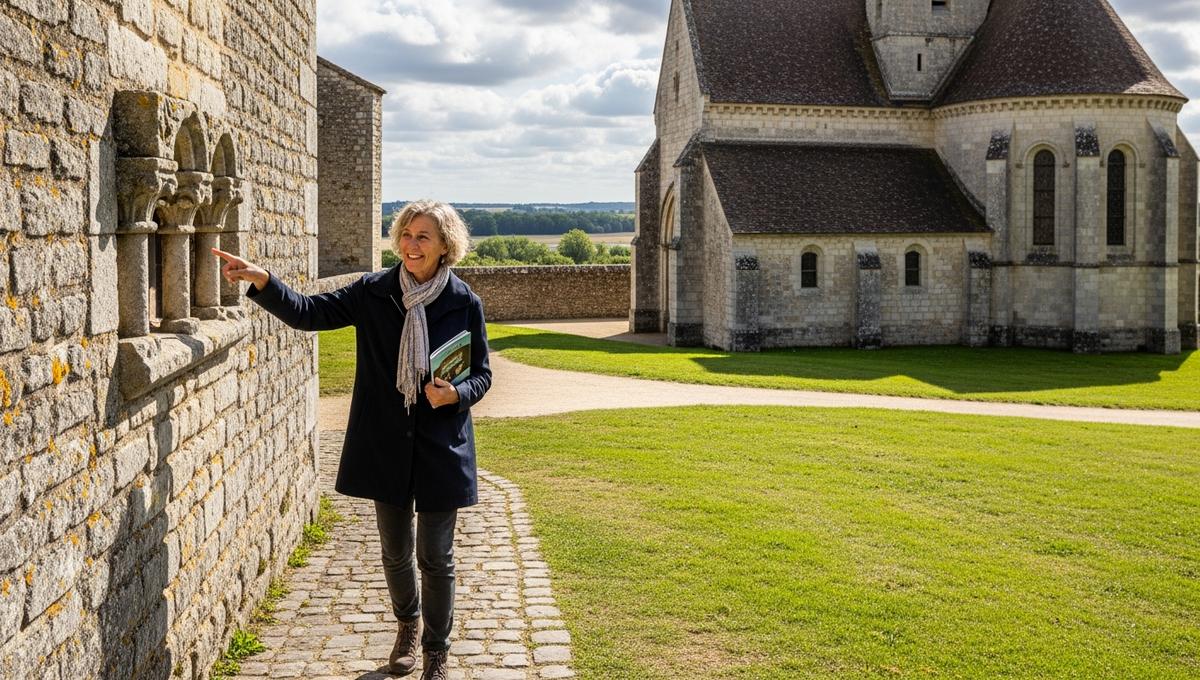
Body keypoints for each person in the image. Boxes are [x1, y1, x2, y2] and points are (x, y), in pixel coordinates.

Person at [213, 200, 491, 680]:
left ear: (446, 245)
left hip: (441, 448)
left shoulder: (463, 302)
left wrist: (456, 395)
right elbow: (309, 313)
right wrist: (264, 281)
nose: (410, 244)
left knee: (436, 557)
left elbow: (482, 375)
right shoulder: (374, 292)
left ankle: (436, 652)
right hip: (385, 443)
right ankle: (407, 626)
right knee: (395, 551)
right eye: (405, 234)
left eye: (423, 236)